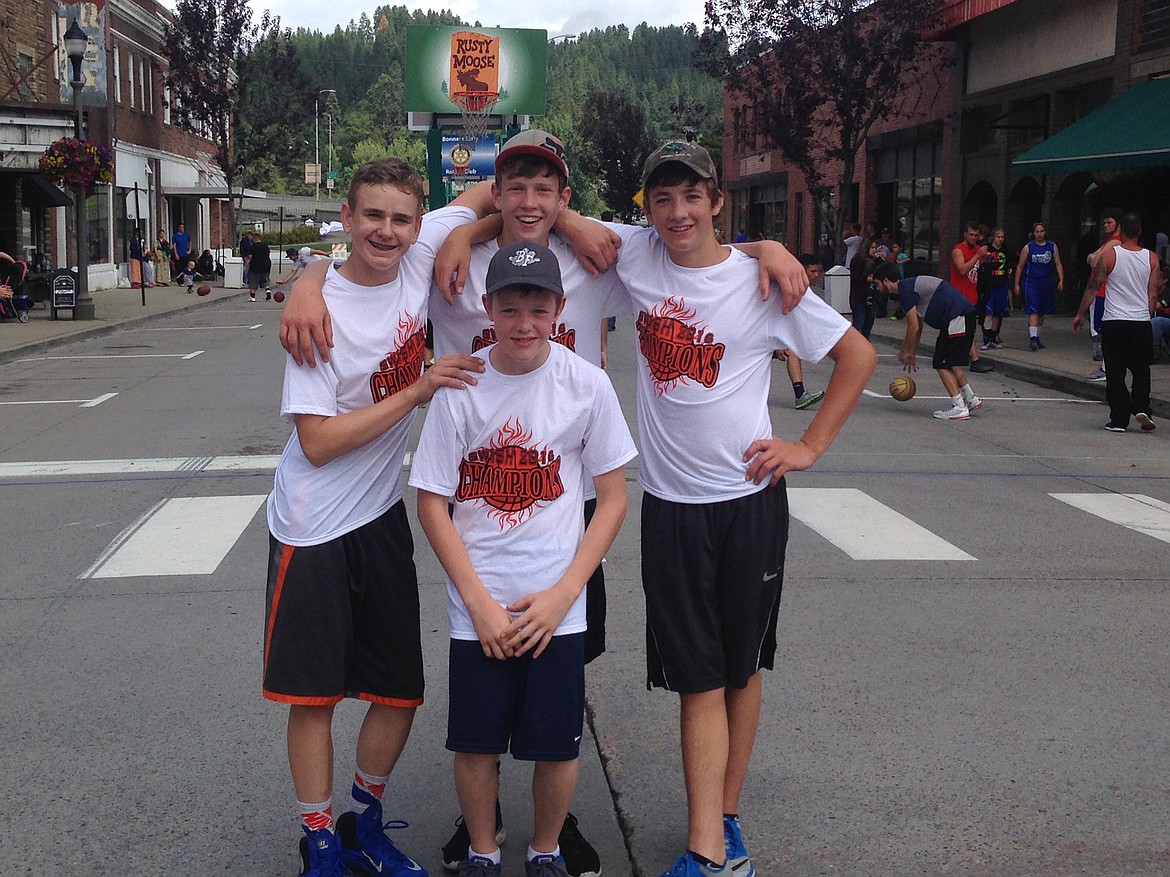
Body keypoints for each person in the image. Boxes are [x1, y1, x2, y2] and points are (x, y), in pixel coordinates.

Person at [282, 135, 812, 877]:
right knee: (482, 686)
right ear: (494, 194)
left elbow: (689, 238)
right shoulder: (449, 260)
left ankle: (553, 833)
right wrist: (311, 274)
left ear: (566, 198)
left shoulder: (600, 255)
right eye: (514, 187)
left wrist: (769, 246)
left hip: (570, 504)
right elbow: (369, 249)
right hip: (481, 512)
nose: (529, 201)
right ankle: (483, 829)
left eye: (547, 190)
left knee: (562, 669)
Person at [599, 141, 874, 877]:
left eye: (692, 196)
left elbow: (857, 358)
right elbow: (538, 212)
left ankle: (719, 827)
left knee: (741, 668)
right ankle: (707, 846)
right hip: (673, 508)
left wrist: (809, 445)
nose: (678, 212)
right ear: (647, 210)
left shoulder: (761, 283)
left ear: (717, 200)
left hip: (749, 504)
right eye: (662, 199)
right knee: (696, 675)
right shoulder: (636, 258)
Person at [263, 156, 487, 877]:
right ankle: (321, 838)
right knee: (316, 694)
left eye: (401, 219)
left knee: (400, 690)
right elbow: (319, 441)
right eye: (372, 217)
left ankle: (364, 819)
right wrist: (417, 390)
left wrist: (464, 232)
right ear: (347, 217)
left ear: (418, 224)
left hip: (379, 514)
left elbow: (495, 191)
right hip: (312, 522)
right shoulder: (318, 310)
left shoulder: (424, 249)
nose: (386, 232)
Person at [409, 241, 637, 877]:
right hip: (478, 603)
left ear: (561, 308)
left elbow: (613, 499)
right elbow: (433, 504)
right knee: (477, 742)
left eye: (539, 308)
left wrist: (569, 592)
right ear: (488, 309)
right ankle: (484, 849)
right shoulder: (463, 386)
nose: (525, 324)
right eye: (510, 309)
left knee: (555, 744)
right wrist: (477, 602)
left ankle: (545, 849)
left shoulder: (585, 385)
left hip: (553, 603)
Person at [1071, 212, 1161, 432]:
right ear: (1140, 232)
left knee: (1115, 370)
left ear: (1120, 231)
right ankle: (1141, 407)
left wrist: (1080, 314)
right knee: (1142, 369)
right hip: (1140, 321)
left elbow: (1093, 287)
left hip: (1114, 320)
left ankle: (1119, 418)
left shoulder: (1110, 256)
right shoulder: (1151, 258)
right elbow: (1152, 294)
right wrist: (1147, 315)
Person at [873, 260, 984, 421]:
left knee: (941, 362)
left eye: (877, 284)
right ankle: (971, 398)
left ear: (885, 281)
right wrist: (912, 352)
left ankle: (959, 406)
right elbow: (918, 324)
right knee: (951, 360)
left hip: (956, 316)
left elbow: (913, 327)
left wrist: (904, 351)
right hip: (962, 315)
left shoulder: (905, 291)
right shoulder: (909, 287)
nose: (877, 288)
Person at [773, 253, 827, 410]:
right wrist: (777, 343)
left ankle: (800, 394)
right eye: (813, 271)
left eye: (819, 272)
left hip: (775, 335)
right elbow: (773, 314)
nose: (816, 275)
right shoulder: (786, 287)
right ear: (802, 269)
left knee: (794, 350)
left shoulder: (802, 289)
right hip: (761, 334)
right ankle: (800, 395)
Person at [1080, 210, 1121, 381]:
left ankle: (1106, 368)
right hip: (1100, 291)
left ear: (1118, 224)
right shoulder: (1109, 242)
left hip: (1103, 291)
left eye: (1109, 222)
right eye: (1104, 223)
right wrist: (1093, 256)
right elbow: (1089, 258)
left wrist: (1094, 257)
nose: (1105, 226)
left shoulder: (1115, 243)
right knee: (1100, 329)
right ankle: (1106, 366)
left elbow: (1094, 260)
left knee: (1102, 329)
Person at [1013, 221, 1064, 351]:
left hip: (1046, 281)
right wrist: (1017, 283)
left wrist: (1061, 280)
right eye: (1037, 232)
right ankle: (1033, 339)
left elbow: (1058, 264)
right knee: (1033, 309)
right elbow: (1020, 266)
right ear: (1033, 233)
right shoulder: (1028, 247)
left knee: (1042, 311)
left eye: (1041, 231)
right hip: (1032, 281)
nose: (1039, 234)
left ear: (1045, 232)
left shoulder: (1052, 246)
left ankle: (1037, 336)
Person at [950, 221, 993, 373]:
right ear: (965, 234)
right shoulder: (958, 250)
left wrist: (987, 259)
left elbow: (978, 271)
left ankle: (959, 357)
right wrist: (977, 256)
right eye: (971, 234)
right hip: (958, 296)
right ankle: (974, 360)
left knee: (967, 330)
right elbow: (962, 269)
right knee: (962, 329)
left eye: (976, 235)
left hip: (972, 296)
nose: (973, 237)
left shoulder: (977, 250)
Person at [979, 228, 1012, 349]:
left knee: (997, 313)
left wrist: (1010, 268)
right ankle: (986, 338)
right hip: (989, 285)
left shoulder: (1006, 250)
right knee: (988, 312)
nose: (1000, 239)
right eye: (998, 237)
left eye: (1002, 237)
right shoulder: (987, 249)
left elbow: (1014, 259)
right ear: (993, 237)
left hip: (1001, 284)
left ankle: (993, 337)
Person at [848, 237, 877, 338]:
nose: (874, 250)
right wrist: (867, 278)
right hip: (858, 297)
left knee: (868, 323)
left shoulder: (873, 261)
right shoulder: (858, 260)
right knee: (859, 323)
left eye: (875, 248)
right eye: (872, 248)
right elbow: (856, 278)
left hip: (870, 297)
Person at [247, 231, 273, 302]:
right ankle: (268, 290)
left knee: (253, 281)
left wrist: (245, 266)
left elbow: (249, 257)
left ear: (254, 239)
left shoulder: (253, 247)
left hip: (255, 266)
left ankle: (252, 297)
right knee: (265, 279)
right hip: (266, 265)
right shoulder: (266, 246)